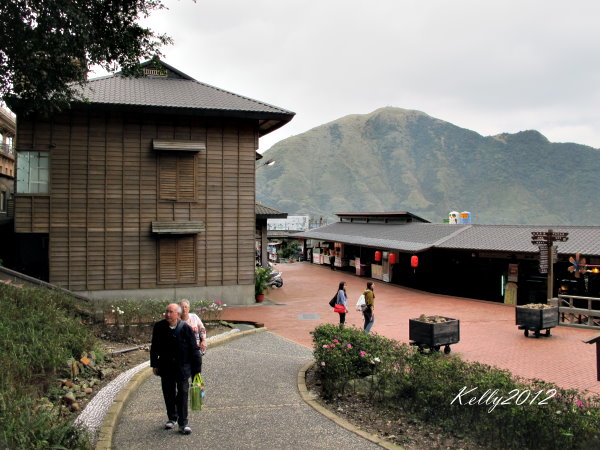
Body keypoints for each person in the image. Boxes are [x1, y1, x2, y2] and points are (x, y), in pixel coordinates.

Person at [150, 303, 202, 435]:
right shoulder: (159, 327)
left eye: (170, 312)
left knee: (183, 394)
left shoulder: (186, 328)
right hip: (165, 367)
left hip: (183, 368)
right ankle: (172, 418)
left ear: (178, 315)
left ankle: (183, 423)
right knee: (168, 393)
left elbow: (194, 350)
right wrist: (154, 364)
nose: (167, 314)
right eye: (166, 311)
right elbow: (154, 346)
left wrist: (197, 372)